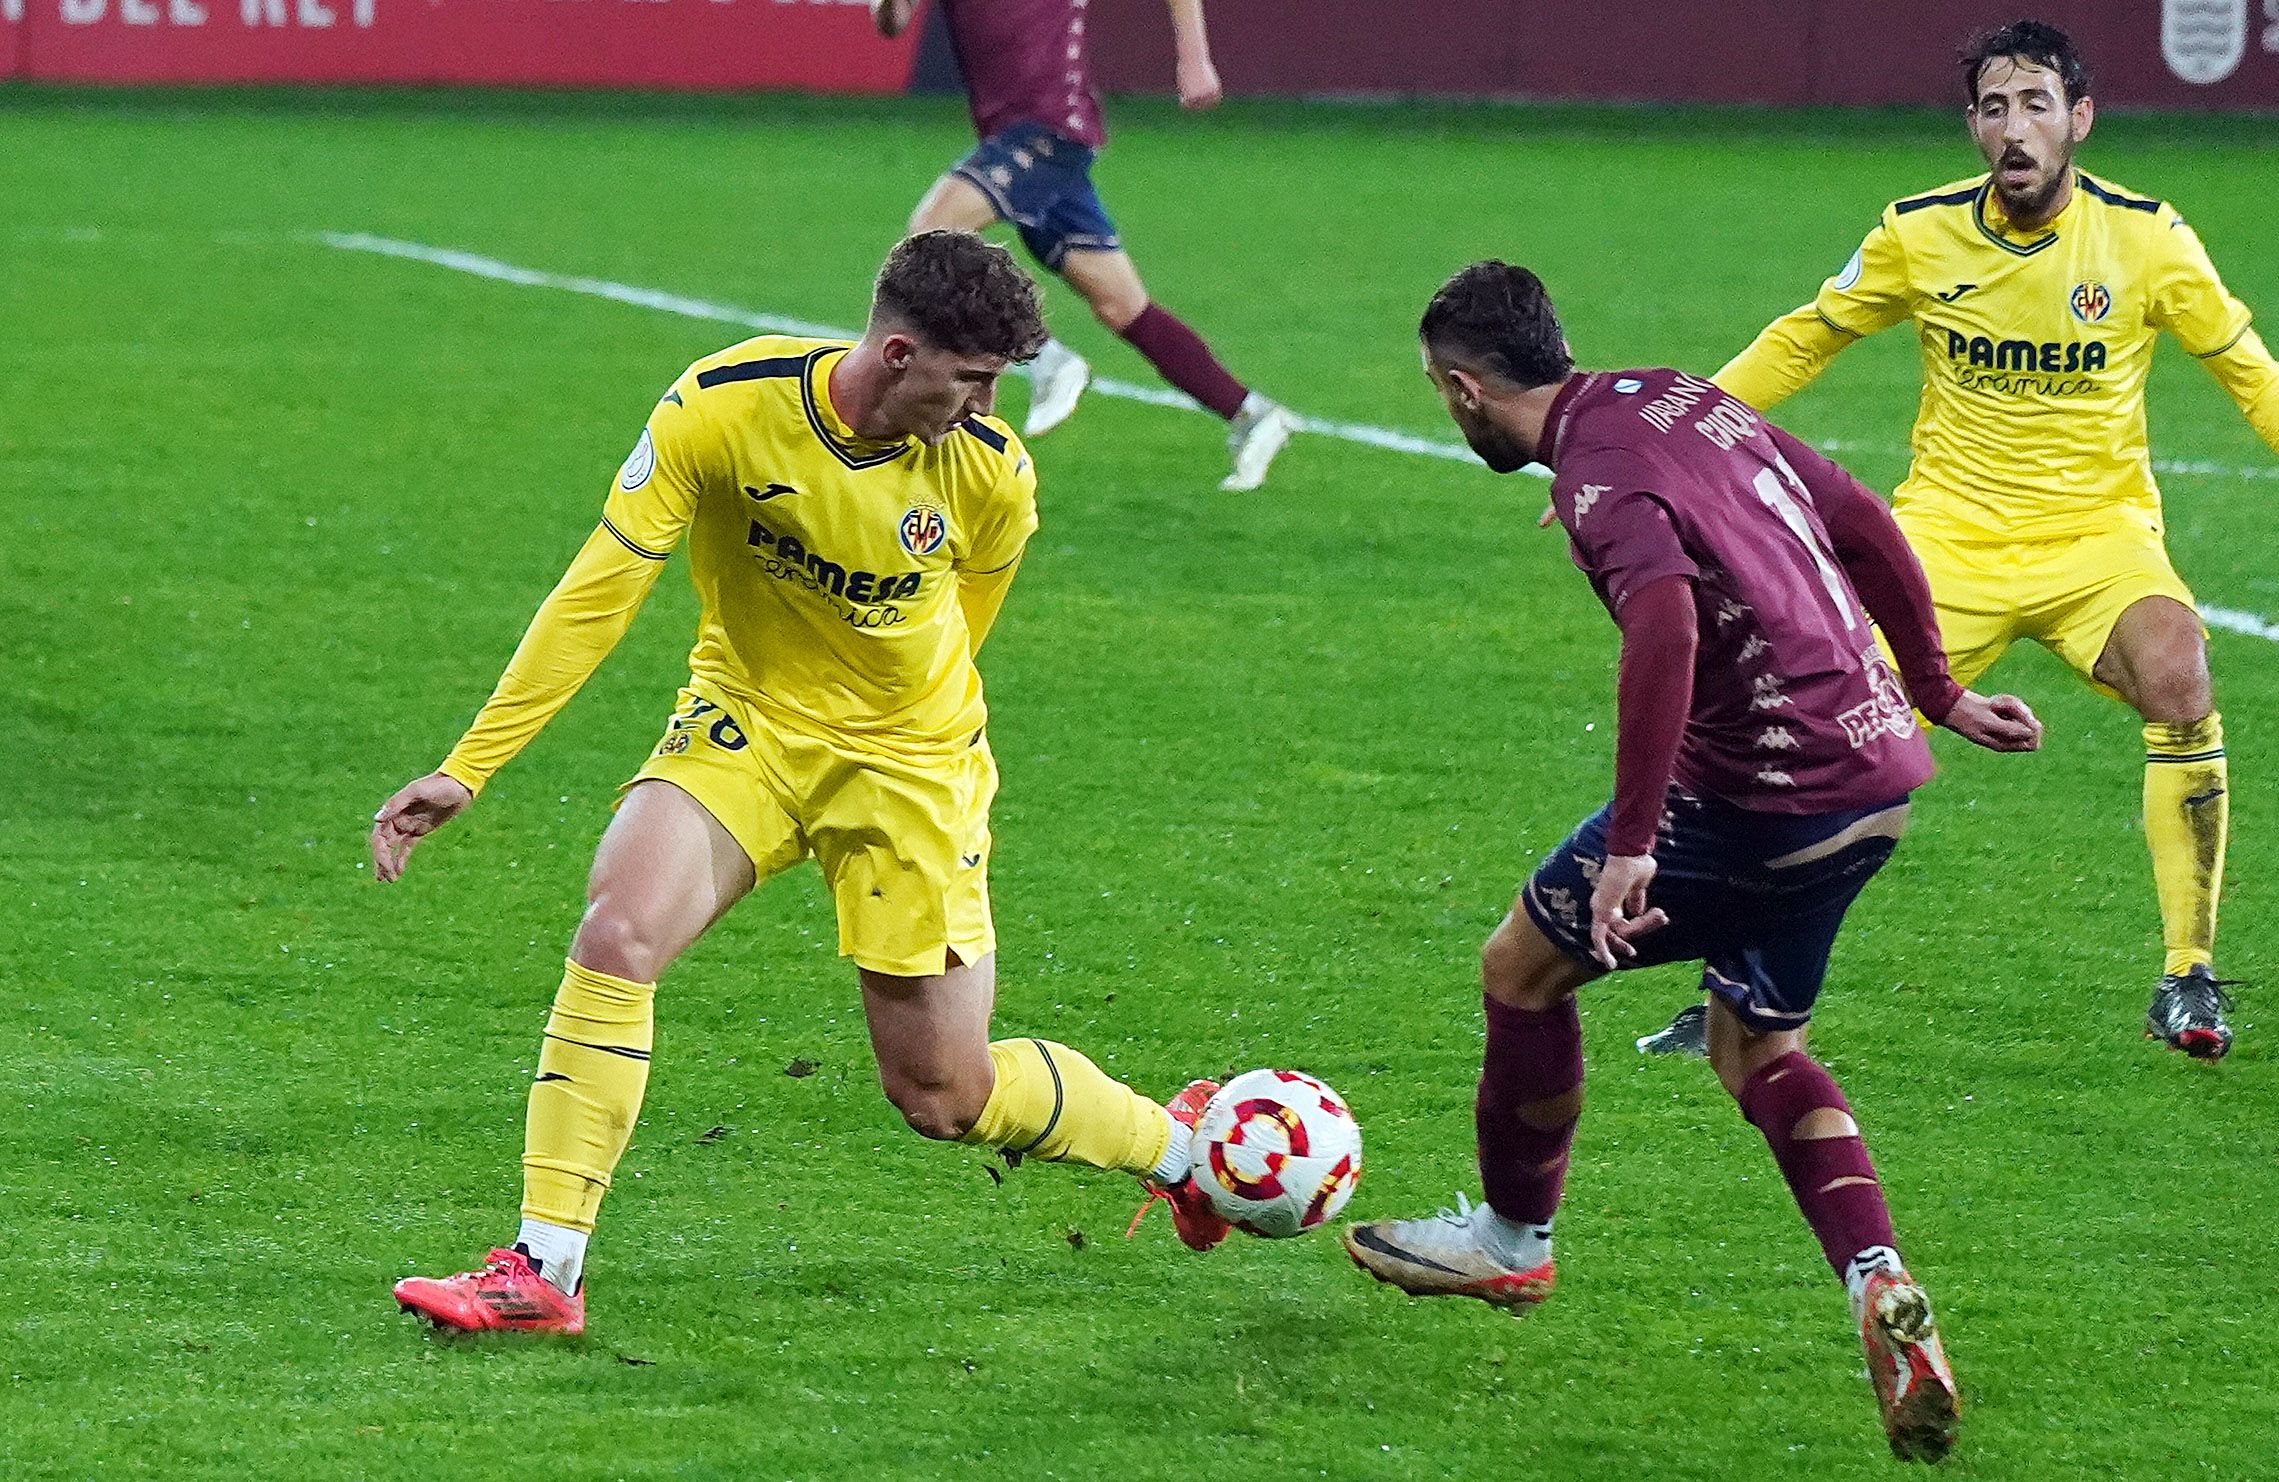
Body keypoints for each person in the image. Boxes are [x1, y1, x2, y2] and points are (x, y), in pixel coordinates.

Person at [376, 230, 1234, 1338]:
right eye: (969, 379)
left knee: (942, 1096)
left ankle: (1176, 1149)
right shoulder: (723, 409)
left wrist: (915, 744)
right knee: (617, 932)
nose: (984, 405)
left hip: (910, 767)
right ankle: (545, 1270)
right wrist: (469, 766)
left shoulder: (987, 474)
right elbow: (597, 591)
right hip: (748, 724)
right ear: (895, 353)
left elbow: (967, 625)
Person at [1343, 261, 2043, 1464]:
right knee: (1757, 1045)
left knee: (1519, 968)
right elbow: (1860, 518)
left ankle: (1511, 1244)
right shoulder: (1677, 396)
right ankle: (1877, 1281)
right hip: (1874, 783)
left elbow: (1660, 625)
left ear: (1465, 388)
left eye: (1435, 393)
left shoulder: (1593, 483)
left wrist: (1629, 848)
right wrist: (1936, 689)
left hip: (1760, 800)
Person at [1638, 18, 2279, 1065]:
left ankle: (2186, 974)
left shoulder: (2144, 238)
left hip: (2099, 541)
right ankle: (1737, 982)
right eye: (1994, 107)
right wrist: (1667, 448)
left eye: (2035, 104)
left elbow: (2247, 369)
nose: (2014, 127)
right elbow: (1805, 334)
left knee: (2179, 677)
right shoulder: (1917, 233)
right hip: (1945, 541)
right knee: (1812, 723)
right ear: (1971, 126)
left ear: (2077, 120)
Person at [874, 0, 1293, 490]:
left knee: (930, 234)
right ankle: (1251, 414)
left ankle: (1049, 360)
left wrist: (1194, 57)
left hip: (1051, 130)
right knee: (1121, 306)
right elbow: (892, 23)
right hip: (1016, 140)